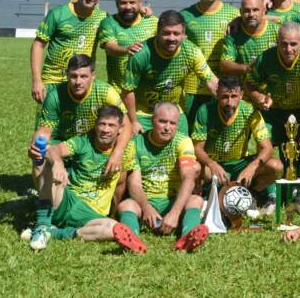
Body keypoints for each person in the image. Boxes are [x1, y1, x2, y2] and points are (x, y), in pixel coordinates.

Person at [27, 105, 144, 253]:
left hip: (92, 214)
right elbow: (54, 149)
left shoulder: (127, 150)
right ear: (96, 125)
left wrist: (114, 212)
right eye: (102, 124)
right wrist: (58, 163)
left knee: (112, 229)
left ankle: (56, 233)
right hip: (66, 200)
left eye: (111, 125)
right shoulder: (83, 141)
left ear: (120, 128)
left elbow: (121, 183)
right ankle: (42, 226)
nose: (106, 129)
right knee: (44, 156)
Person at [116, 103, 209, 253]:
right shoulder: (136, 143)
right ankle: (132, 241)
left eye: (172, 123)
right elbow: (134, 183)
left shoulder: (183, 141)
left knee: (195, 200)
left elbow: (188, 178)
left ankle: (187, 238)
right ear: (152, 121)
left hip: (173, 200)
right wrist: (146, 208)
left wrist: (174, 213)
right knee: (126, 205)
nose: (167, 127)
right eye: (162, 121)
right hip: (146, 201)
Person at [244, 22, 300, 201]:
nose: (288, 49)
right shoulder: (266, 58)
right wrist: (259, 97)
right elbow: (248, 83)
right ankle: (268, 194)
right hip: (274, 112)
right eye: (283, 43)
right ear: (277, 41)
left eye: (293, 44)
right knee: (264, 145)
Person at [30, 55, 132, 188]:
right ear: (67, 75)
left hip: (93, 143)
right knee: (39, 152)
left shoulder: (105, 92)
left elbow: (126, 123)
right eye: (74, 76)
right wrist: (37, 146)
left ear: (93, 76)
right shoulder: (55, 95)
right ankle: (44, 201)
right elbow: (45, 130)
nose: (78, 81)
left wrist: (117, 153)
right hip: (63, 142)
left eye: (83, 76)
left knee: (127, 152)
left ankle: (114, 204)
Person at [191, 75, 283, 214]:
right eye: (224, 97)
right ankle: (206, 194)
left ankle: (251, 194)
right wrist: (212, 164)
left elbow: (267, 147)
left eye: (234, 96)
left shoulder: (250, 111)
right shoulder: (205, 110)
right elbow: (197, 148)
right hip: (214, 167)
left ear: (241, 95)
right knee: (195, 168)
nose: (229, 102)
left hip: (240, 164)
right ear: (217, 94)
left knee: (276, 167)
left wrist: (252, 167)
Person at [121, 10, 218, 135]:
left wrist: (229, 102)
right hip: (144, 113)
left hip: (174, 110)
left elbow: (211, 81)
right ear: (158, 32)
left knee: (184, 149)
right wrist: (133, 121)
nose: (171, 38)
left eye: (176, 34)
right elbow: (127, 91)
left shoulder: (192, 52)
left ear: (183, 34)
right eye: (166, 33)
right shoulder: (141, 54)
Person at [30, 0, 107, 104]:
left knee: (79, 124)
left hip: (82, 81)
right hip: (53, 80)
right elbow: (38, 44)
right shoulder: (58, 14)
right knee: (48, 123)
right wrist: (37, 80)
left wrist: (142, 12)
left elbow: (122, 28)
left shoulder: (103, 18)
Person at [180, 0, 240, 128]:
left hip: (223, 83)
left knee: (219, 129)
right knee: (192, 129)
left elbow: (257, 18)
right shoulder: (186, 15)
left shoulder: (233, 14)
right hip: (194, 85)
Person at [98, 0, 158, 92]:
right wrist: (126, 49)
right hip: (118, 90)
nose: (128, 7)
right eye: (123, 3)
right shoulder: (109, 22)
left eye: (132, 2)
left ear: (140, 3)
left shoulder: (153, 22)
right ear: (117, 3)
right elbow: (110, 47)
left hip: (146, 91)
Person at [220, 0, 280, 77]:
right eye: (247, 11)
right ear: (240, 12)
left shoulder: (277, 30)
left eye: (255, 10)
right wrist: (246, 68)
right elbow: (225, 64)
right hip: (244, 88)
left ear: (263, 11)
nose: (251, 14)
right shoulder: (233, 33)